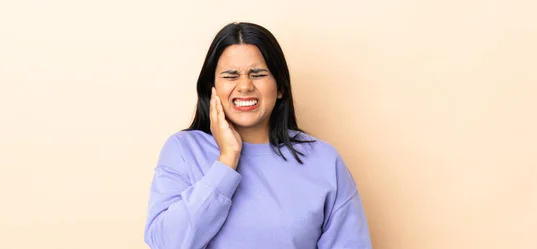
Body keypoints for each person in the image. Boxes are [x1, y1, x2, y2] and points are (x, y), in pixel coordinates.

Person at [144, 22, 372, 249]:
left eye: (258, 74)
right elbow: (166, 244)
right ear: (211, 88)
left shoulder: (324, 160)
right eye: (230, 75)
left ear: (280, 87)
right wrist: (227, 159)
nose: (245, 86)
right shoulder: (183, 150)